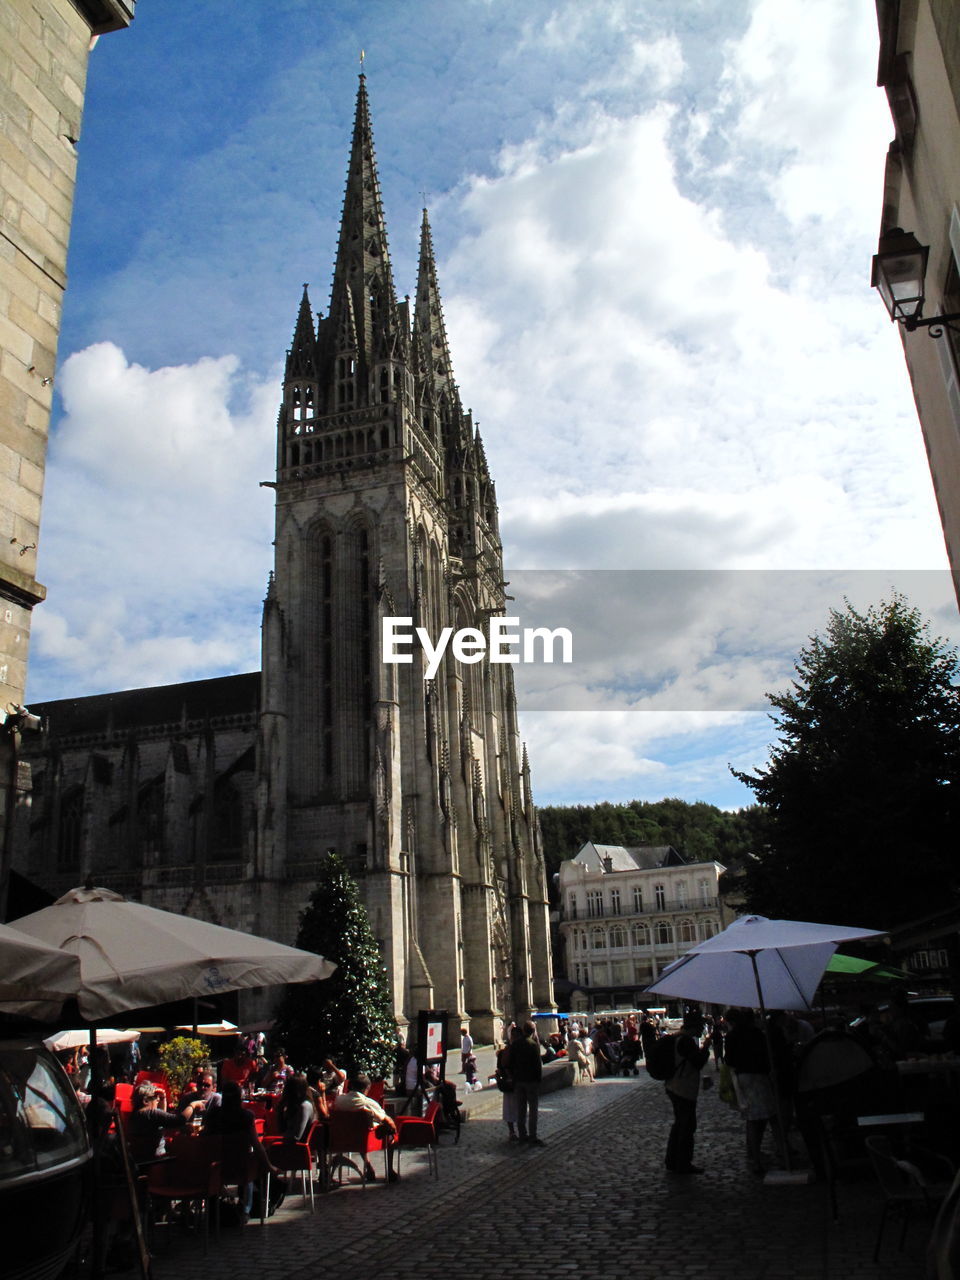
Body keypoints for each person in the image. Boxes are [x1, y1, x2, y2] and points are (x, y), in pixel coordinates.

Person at [723, 1007, 780, 1176]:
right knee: (769, 1116)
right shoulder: (757, 1034)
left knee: (754, 1118)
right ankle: (772, 1154)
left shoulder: (733, 1035)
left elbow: (729, 1059)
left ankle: (755, 1155)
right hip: (759, 1076)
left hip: (742, 1076)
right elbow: (767, 1054)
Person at [663, 1011, 709, 1175]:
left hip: (675, 1086)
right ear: (694, 1026)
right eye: (701, 1026)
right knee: (687, 1126)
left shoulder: (678, 1038)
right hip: (683, 1088)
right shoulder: (686, 1041)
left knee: (680, 1124)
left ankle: (672, 1160)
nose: (702, 1028)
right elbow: (698, 1062)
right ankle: (683, 1162)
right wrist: (706, 1049)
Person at [333, 1072, 399, 1182]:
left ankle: (368, 1166)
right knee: (389, 1132)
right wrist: (394, 1129)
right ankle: (390, 1170)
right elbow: (388, 1121)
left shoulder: (339, 1100)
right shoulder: (366, 1102)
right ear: (367, 1088)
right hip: (363, 1139)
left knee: (359, 1129)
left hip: (341, 1138)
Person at [128, 1081, 193, 1161]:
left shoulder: (135, 1115)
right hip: (157, 1159)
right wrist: (192, 1106)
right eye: (156, 1097)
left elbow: (161, 1120)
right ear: (145, 1101)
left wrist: (163, 1099)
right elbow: (180, 1120)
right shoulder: (151, 1114)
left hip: (140, 1159)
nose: (158, 1100)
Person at [506, 1021, 544, 1146]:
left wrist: (513, 1076)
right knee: (533, 1110)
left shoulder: (515, 1044)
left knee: (520, 1109)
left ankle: (522, 1135)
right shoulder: (533, 1044)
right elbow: (538, 1065)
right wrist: (539, 1079)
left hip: (518, 1081)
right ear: (533, 1031)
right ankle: (532, 1136)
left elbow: (509, 1063)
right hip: (531, 1081)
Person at [495, 1038, 519, 1139]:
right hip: (514, 1084)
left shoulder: (503, 1054)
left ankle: (513, 1131)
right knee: (516, 1108)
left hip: (510, 1084)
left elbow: (499, 1070)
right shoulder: (515, 1054)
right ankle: (516, 1131)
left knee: (510, 1108)